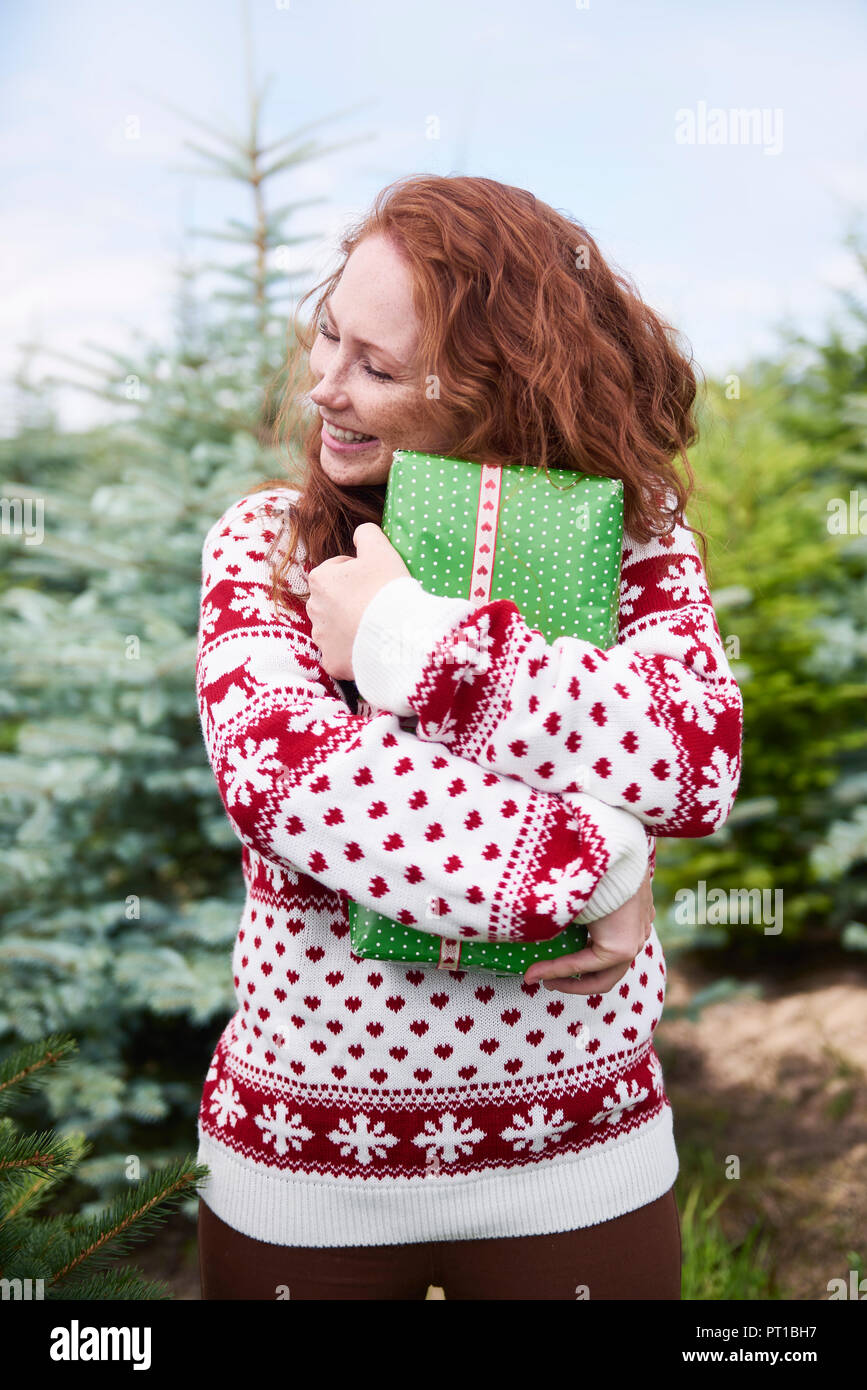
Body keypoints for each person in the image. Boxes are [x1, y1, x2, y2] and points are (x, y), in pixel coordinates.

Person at [194, 173, 744, 1300]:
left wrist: (410, 637)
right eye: (328, 335)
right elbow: (303, 793)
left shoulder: (637, 547)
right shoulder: (268, 546)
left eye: (377, 367)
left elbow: (696, 761)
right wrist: (610, 860)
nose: (324, 387)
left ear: (493, 388)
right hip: (306, 1165)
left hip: (579, 1152)